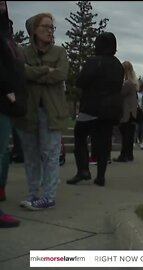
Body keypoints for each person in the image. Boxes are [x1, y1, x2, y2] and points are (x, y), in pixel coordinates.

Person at [15, 12, 68, 210]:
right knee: (30, 155)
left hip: (51, 111)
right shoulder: (22, 52)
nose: (49, 31)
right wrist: (47, 70)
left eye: (52, 27)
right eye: (45, 27)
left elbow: (61, 74)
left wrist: (34, 72)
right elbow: (21, 72)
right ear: (34, 30)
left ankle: (48, 196)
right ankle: (33, 193)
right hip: (28, 110)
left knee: (51, 154)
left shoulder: (60, 52)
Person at [66, 32, 124, 187]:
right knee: (104, 142)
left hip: (92, 106)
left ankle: (83, 169)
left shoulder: (94, 61)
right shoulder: (118, 65)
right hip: (111, 108)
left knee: (80, 135)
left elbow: (81, 81)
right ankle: (101, 176)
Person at [1, 0, 27, 202]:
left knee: (4, 151)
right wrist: (8, 89)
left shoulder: (6, 34)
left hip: (9, 102)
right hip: (4, 96)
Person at [114, 61, 138, 162]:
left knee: (126, 135)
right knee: (129, 134)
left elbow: (120, 93)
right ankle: (129, 154)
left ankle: (124, 155)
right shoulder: (133, 83)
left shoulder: (127, 83)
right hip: (132, 112)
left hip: (126, 112)